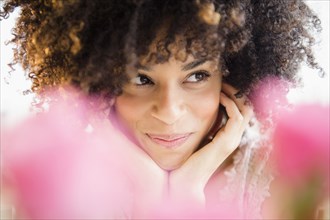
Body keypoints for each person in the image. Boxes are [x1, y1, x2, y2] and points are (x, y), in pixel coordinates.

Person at [0, 0, 324, 219]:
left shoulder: (288, 181)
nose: (169, 112)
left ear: (229, 78)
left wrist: (183, 194)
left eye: (196, 76)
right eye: (140, 79)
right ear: (100, 83)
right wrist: (151, 194)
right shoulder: (53, 180)